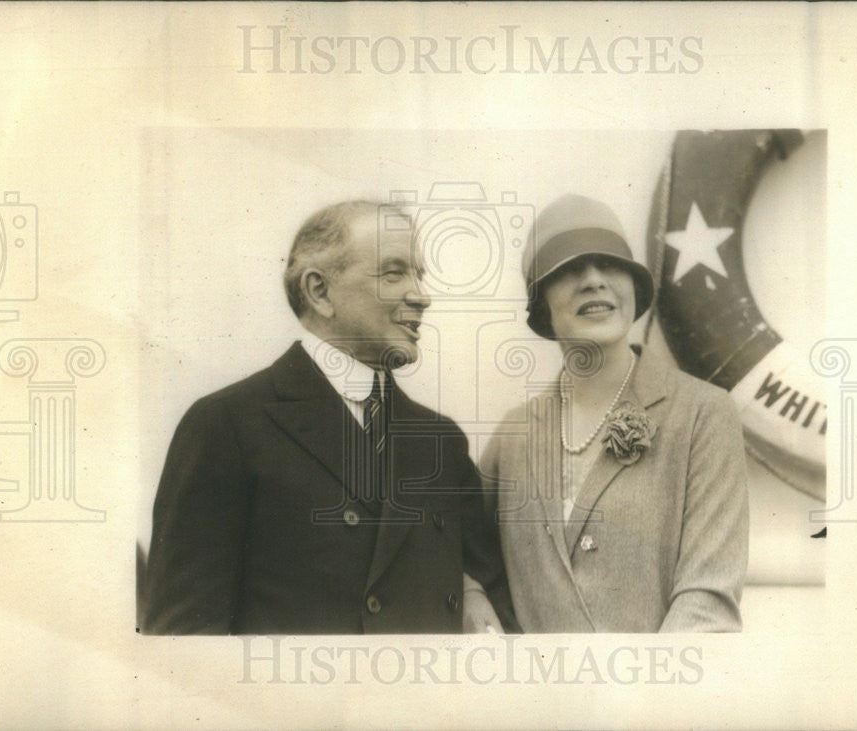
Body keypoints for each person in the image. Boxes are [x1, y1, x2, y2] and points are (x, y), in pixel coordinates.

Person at [143, 200, 512, 634]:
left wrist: (470, 591)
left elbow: (497, 603)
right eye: (394, 273)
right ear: (320, 292)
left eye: (419, 274)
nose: (422, 296)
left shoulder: (441, 441)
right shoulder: (227, 424)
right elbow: (183, 639)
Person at [479, 194, 749, 632]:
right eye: (568, 270)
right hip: (536, 696)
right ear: (542, 304)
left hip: (658, 695)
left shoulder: (703, 413)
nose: (593, 281)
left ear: (633, 286)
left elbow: (707, 601)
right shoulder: (514, 433)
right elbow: (467, 558)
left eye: (610, 264)